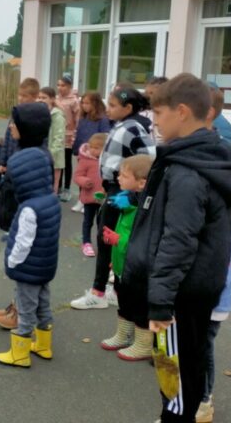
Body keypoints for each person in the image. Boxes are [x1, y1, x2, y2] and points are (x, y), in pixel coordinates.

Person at [122, 73, 231, 423]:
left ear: (181, 112)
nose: (154, 121)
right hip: (187, 291)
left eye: (158, 113)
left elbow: (178, 240)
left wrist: (161, 303)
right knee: (183, 375)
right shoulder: (190, 159)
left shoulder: (188, 171)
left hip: (181, 295)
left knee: (178, 380)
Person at [70, 86, 155, 311]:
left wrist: (131, 192)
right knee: (108, 239)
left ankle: (98, 292)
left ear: (128, 108)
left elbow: (149, 159)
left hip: (121, 191)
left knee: (107, 239)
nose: (109, 108)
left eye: (114, 105)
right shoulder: (121, 125)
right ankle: (115, 290)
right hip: (113, 188)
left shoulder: (133, 127)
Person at [0, 103, 60, 368]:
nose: (11, 127)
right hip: (45, 267)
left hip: (27, 268)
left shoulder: (28, 209)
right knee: (43, 305)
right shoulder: (50, 200)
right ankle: (44, 345)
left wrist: (12, 262)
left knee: (26, 306)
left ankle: (19, 352)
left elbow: (23, 242)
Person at [196, 206, 231, 423]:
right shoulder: (229, 231)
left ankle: (204, 401)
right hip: (210, 303)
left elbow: (223, 275)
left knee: (203, 351)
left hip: (212, 305)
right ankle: (199, 395)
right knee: (199, 349)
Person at [100, 154, 155, 361]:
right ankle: (124, 334)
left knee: (139, 305)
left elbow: (141, 241)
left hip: (137, 269)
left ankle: (143, 344)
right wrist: (115, 258)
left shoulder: (146, 209)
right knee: (124, 301)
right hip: (123, 265)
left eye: (124, 175)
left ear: (141, 183)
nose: (118, 178)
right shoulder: (129, 202)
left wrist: (118, 240)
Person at [71, 91, 112, 213]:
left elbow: (105, 136)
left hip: (95, 155)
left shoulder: (102, 119)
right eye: (83, 103)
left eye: (87, 103)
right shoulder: (83, 118)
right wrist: (76, 148)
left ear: (95, 104)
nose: (84, 106)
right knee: (81, 177)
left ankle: (91, 201)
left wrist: (99, 150)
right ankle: (81, 200)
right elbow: (79, 134)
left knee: (94, 179)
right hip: (83, 153)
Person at [72, 132, 107, 257]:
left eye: (96, 148)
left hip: (103, 198)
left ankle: (102, 243)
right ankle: (86, 242)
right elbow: (77, 176)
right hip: (89, 197)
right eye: (91, 147)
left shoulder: (108, 161)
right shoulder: (85, 161)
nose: (92, 150)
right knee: (88, 221)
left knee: (102, 222)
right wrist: (84, 181)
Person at [0, 78, 40, 174]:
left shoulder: (38, 116)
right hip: (11, 160)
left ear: (35, 97)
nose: (20, 98)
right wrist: (3, 162)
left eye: (24, 96)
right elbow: (7, 138)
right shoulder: (15, 113)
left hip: (26, 163)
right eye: (19, 95)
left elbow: (37, 142)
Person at [56, 74, 80, 202]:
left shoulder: (74, 101)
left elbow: (78, 120)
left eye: (63, 85)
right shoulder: (56, 99)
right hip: (57, 135)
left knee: (66, 162)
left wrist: (75, 135)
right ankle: (58, 187)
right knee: (57, 162)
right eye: (58, 85)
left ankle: (66, 189)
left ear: (69, 86)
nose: (60, 88)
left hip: (68, 136)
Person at [38, 87, 66, 194]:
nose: (41, 100)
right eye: (39, 97)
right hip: (41, 154)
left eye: (44, 97)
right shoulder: (40, 113)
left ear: (52, 99)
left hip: (54, 158)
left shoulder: (57, 116)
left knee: (52, 186)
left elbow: (59, 138)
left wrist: (49, 155)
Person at [142, 76, 169, 143]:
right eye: (146, 93)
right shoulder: (144, 115)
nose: (148, 97)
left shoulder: (172, 115)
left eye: (152, 93)